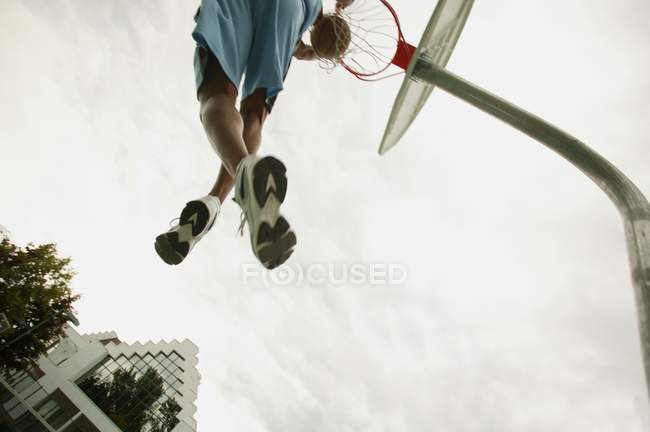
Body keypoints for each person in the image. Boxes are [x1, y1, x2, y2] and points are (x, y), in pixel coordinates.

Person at [155, 0, 354, 269]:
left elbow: (305, 48)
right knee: (253, 116)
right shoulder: (307, 13)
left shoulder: (311, 15)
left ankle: (227, 191)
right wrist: (318, 50)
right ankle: (220, 197)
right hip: (290, 12)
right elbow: (305, 50)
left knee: (216, 97)